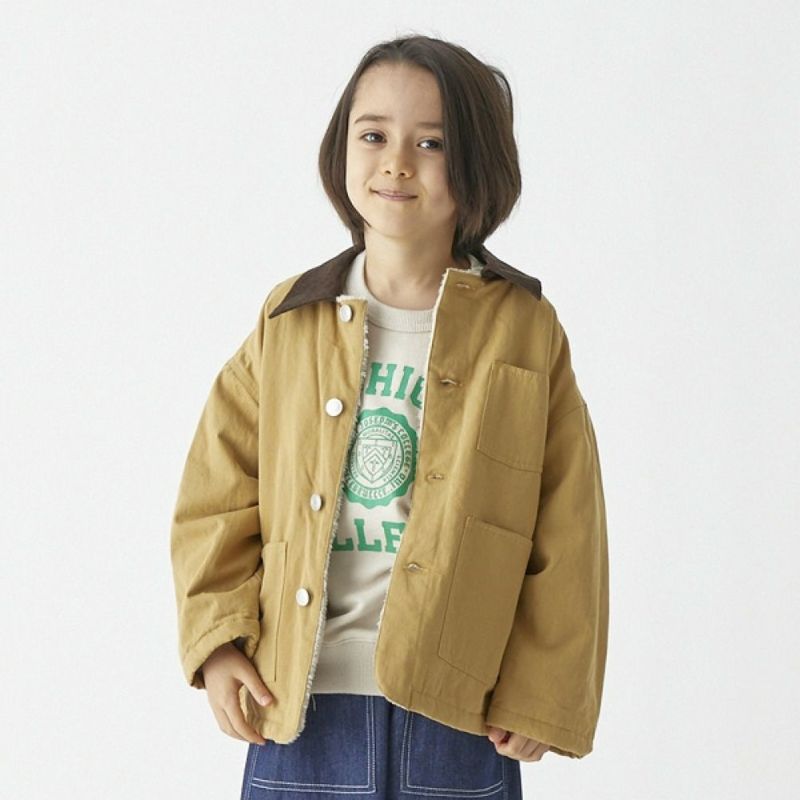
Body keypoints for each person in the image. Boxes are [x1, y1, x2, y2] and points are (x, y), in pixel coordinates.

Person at [170, 33, 609, 800]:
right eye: (373, 135)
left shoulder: (524, 330)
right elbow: (217, 492)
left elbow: (569, 524)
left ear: (477, 167)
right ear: (341, 150)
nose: (396, 162)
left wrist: (542, 689)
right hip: (299, 704)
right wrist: (218, 642)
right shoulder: (290, 319)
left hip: (459, 711)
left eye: (431, 143)